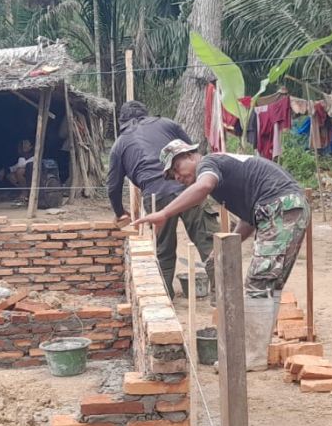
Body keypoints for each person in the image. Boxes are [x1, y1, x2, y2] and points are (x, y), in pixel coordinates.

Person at [133, 140, 311, 372]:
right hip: (282, 208)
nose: (177, 176)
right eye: (171, 175)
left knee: (259, 282)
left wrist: (165, 213)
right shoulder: (224, 173)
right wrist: (229, 246)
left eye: (177, 168)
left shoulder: (209, 164)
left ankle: (251, 357)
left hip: (281, 207)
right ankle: (255, 353)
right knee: (269, 282)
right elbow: (248, 220)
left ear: (191, 155)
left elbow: (203, 187)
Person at [108, 101, 219, 299]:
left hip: (156, 196)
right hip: (189, 188)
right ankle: (222, 295)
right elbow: (193, 155)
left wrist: (120, 213)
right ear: (147, 114)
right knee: (208, 242)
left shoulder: (120, 145)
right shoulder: (167, 124)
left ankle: (164, 298)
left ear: (122, 121)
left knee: (164, 251)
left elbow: (113, 187)